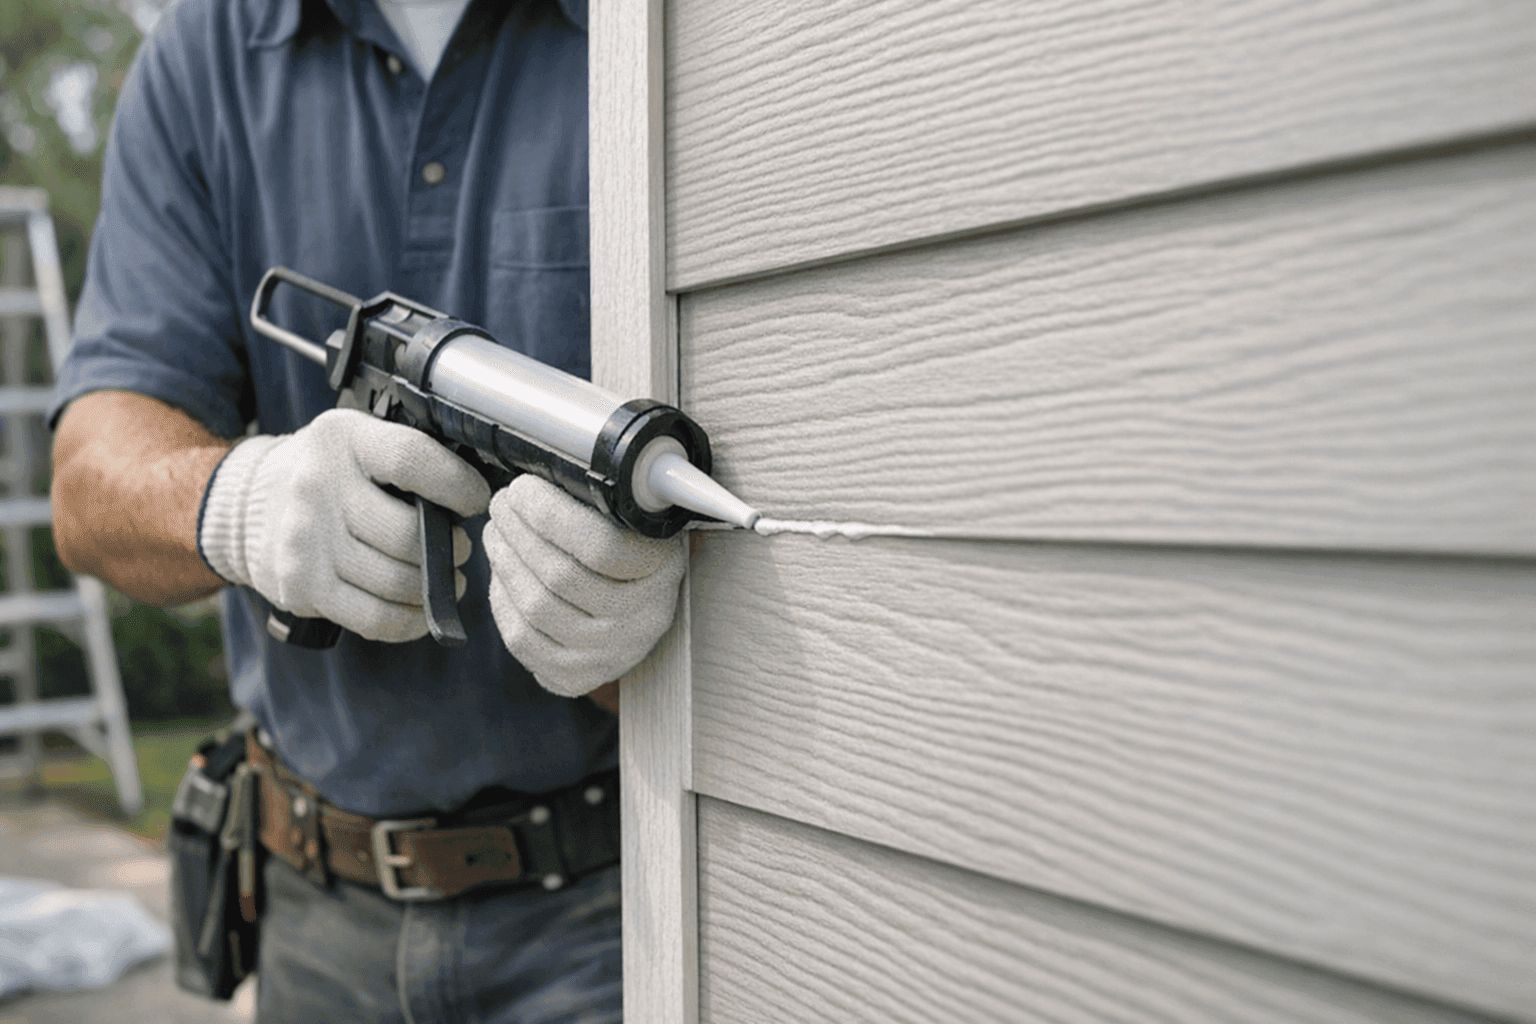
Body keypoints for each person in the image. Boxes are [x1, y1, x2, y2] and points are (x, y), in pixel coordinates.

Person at [47, 0, 681, 1019]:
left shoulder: (649, 32)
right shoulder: (208, 57)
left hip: (610, 915)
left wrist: (667, 600)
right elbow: (87, 484)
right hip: (312, 914)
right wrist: (236, 502)